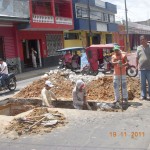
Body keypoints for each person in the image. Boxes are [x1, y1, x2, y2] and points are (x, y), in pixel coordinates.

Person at [136, 35, 150, 100]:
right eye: (141, 40)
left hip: (149, 69)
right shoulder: (138, 48)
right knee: (143, 83)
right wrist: (136, 66)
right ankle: (143, 95)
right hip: (142, 69)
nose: (142, 41)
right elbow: (137, 58)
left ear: (146, 40)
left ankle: (149, 95)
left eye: (143, 39)